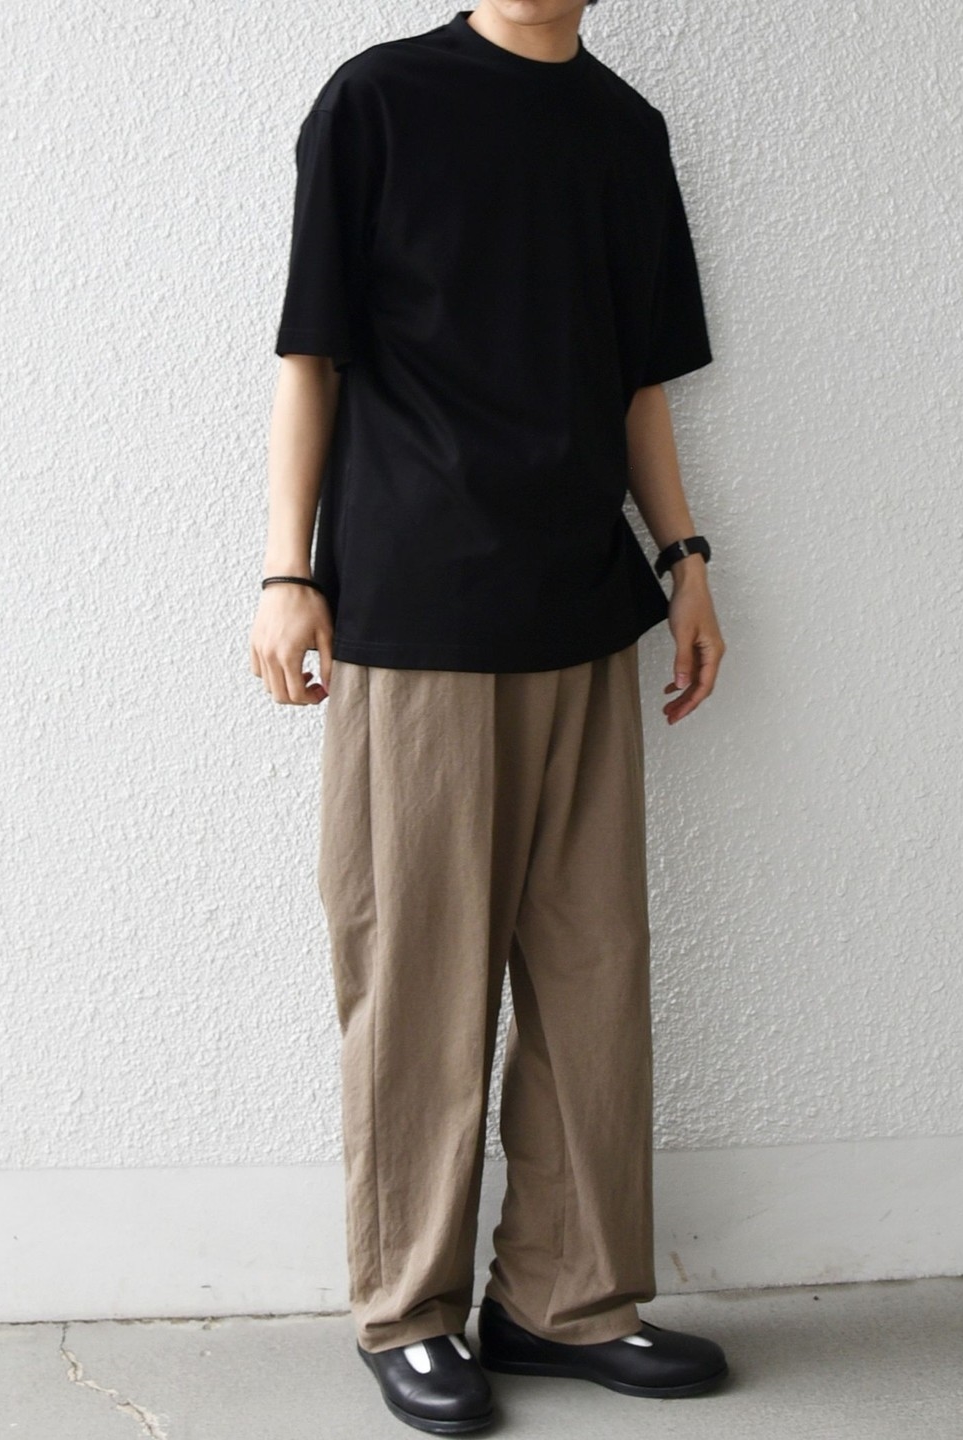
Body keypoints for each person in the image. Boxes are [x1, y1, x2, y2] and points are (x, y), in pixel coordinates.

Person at [249, 3, 728, 1432]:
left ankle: (563, 1300)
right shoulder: (379, 102)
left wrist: (686, 558)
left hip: (581, 604)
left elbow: (638, 379)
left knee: (593, 976)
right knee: (419, 980)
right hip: (419, 608)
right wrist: (286, 572)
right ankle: (409, 1311)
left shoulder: (625, 131)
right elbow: (310, 357)